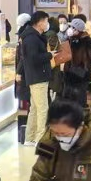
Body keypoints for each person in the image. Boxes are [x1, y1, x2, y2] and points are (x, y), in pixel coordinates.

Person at [22, 11, 56, 146]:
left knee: (35, 109)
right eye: (46, 21)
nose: (47, 24)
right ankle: (40, 139)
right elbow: (33, 59)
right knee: (42, 109)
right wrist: (49, 55)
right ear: (40, 22)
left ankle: (30, 138)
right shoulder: (32, 39)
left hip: (36, 76)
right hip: (38, 77)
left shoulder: (32, 37)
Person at [63, 18, 91, 107]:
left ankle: (80, 117)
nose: (70, 29)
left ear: (78, 29)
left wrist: (85, 67)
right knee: (69, 98)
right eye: (70, 27)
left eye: (73, 27)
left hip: (81, 75)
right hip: (69, 74)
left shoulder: (87, 40)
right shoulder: (69, 39)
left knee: (80, 99)